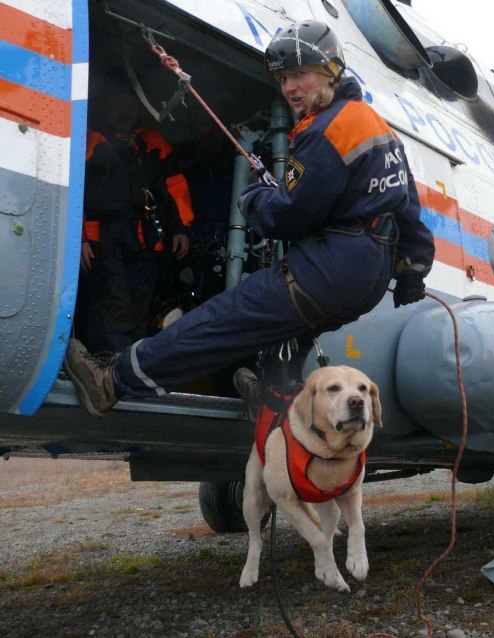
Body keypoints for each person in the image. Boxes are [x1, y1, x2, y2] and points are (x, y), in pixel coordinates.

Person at [64, 20, 435, 416]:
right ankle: (275, 394)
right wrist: (413, 268)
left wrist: (253, 197)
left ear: (328, 69)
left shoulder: (326, 130)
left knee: (223, 319)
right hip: (372, 274)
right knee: (290, 328)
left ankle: (113, 381)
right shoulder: (373, 124)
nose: (290, 87)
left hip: (332, 267)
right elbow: (407, 203)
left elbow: (286, 219)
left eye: (299, 74)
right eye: (282, 78)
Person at [79, 69, 192, 354]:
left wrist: (181, 229)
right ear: (107, 106)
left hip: (146, 235)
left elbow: (174, 185)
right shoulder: (90, 139)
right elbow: (73, 189)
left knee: (141, 300)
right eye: (119, 105)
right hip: (103, 237)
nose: (125, 111)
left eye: (131, 105)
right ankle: (106, 364)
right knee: (111, 299)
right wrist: (79, 238)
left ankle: (131, 365)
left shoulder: (152, 141)